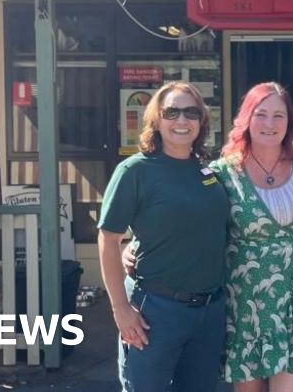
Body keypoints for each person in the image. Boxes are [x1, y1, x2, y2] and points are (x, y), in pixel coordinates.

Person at [97, 81, 230, 392]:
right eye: (171, 112)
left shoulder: (206, 172)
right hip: (155, 311)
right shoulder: (135, 171)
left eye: (190, 112)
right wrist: (121, 310)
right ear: (155, 119)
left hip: (208, 311)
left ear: (202, 121)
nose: (181, 121)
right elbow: (108, 239)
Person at [213, 82, 293, 392]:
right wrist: (135, 245)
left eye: (279, 115)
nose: (270, 124)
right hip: (246, 307)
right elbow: (191, 214)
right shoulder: (223, 171)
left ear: (290, 123)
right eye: (261, 114)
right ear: (246, 118)